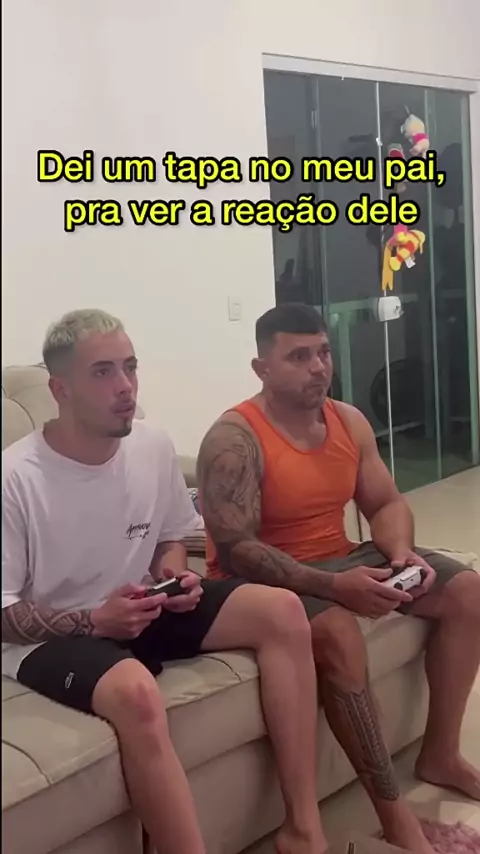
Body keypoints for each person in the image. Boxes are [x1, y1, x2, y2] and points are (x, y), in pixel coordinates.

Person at [1, 309, 327, 854]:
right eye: (103, 372)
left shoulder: (151, 446)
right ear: (60, 389)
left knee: (282, 612)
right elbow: (3, 612)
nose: (125, 386)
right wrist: (94, 620)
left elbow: (172, 535)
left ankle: (303, 830)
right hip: (50, 638)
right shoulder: (15, 477)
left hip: (140, 606)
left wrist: (171, 573)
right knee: (136, 693)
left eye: (130, 367)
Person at [198, 302, 480, 854]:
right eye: (298, 357)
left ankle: (441, 753)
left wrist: (399, 554)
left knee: (468, 591)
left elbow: (386, 502)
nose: (318, 367)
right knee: (337, 632)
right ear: (261, 368)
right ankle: (396, 817)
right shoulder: (234, 439)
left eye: (323, 352)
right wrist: (331, 588)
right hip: (265, 582)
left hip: (342, 555)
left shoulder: (347, 420)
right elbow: (236, 549)